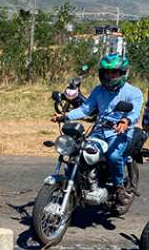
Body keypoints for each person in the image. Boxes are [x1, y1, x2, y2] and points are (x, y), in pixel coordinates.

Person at [52, 53, 143, 205]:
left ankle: (119, 187)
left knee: (114, 156)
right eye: (107, 72)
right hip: (100, 130)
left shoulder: (133, 92)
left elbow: (134, 113)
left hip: (121, 131)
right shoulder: (98, 90)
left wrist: (126, 121)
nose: (109, 76)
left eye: (113, 72)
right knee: (77, 152)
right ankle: (77, 183)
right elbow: (86, 109)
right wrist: (65, 116)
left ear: (122, 73)